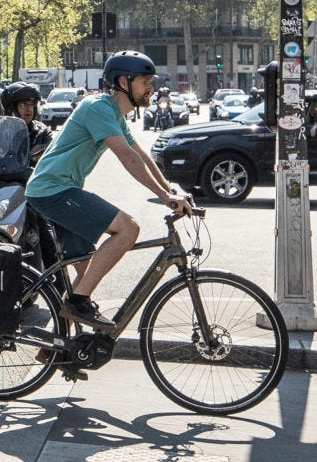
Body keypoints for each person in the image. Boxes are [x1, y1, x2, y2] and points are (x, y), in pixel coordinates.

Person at [23, 53, 194, 328]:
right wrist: (164, 198)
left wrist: (170, 188)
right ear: (123, 81)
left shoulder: (113, 113)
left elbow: (141, 154)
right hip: (52, 190)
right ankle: (77, 303)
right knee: (128, 229)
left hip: (60, 189)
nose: (151, 88)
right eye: (145, 81)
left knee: (86, 268)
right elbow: (126, 157)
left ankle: (58, 345)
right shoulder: (97, 108)